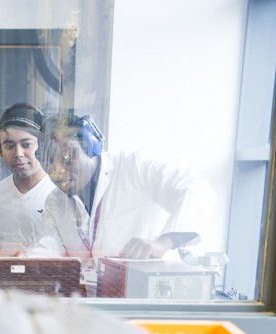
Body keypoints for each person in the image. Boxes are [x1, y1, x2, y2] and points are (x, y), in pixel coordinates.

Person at [25, 112, 216, 290]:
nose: (58, 171)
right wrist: (23, 262)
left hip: (148, 297)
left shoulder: (135, 168)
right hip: (98, 302)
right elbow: (49, 245)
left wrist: (166, 241)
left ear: (91, 146)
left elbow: (196, 188)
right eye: (49, 162)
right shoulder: (56, 201)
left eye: (68, 156)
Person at [0, 103, 57, 256]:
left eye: (26, 144)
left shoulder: (57, 194)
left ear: (42, 145)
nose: (18, 153)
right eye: (10, 146)